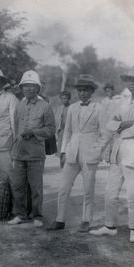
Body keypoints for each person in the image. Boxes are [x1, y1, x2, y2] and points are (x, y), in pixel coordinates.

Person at [47, 74, 110, 232]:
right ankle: (60, 219)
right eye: (80, 90)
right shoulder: (72, 108)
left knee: (88, 189)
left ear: (91, 92)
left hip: (90, 154)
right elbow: (67, 132)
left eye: (86, 90)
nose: (82, 93)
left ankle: (86, 220)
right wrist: (63, 152)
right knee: (63, 188)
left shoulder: (99, 108)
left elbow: (106, 133)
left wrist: (98, 150)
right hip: (72, 152)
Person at [90, 66, 134, 243]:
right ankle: (109, 225)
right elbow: (111, 123)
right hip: (118, 150)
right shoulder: (124, 100)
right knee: (110, 191)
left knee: (132, 193)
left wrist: (123, 127)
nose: (130, 83)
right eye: (128, 79)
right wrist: (124, 124)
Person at [8, 70, 55, 227]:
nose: (28, 89)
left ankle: (37, 215)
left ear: (37, 89)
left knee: (36, 187)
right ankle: (20, 214)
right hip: (19, 152)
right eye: (25, 86)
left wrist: (34, 132)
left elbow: (51, 130)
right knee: (18, 185)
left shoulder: (45, 107)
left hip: (35, 152)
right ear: (21, 89)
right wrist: (14, 148)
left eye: (32, 86)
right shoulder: (19, 106)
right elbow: (15, 128)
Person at [54, 91, 72, 168]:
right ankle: (62, 162)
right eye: (62, 98)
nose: (64, 100)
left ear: (69, 99)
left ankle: (67, 162)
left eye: (66, 98)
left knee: (68, 147)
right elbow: (57, 120)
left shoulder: (72, 107)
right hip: (61, 130)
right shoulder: (59, 108)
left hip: (69, 131)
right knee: (61, 146)